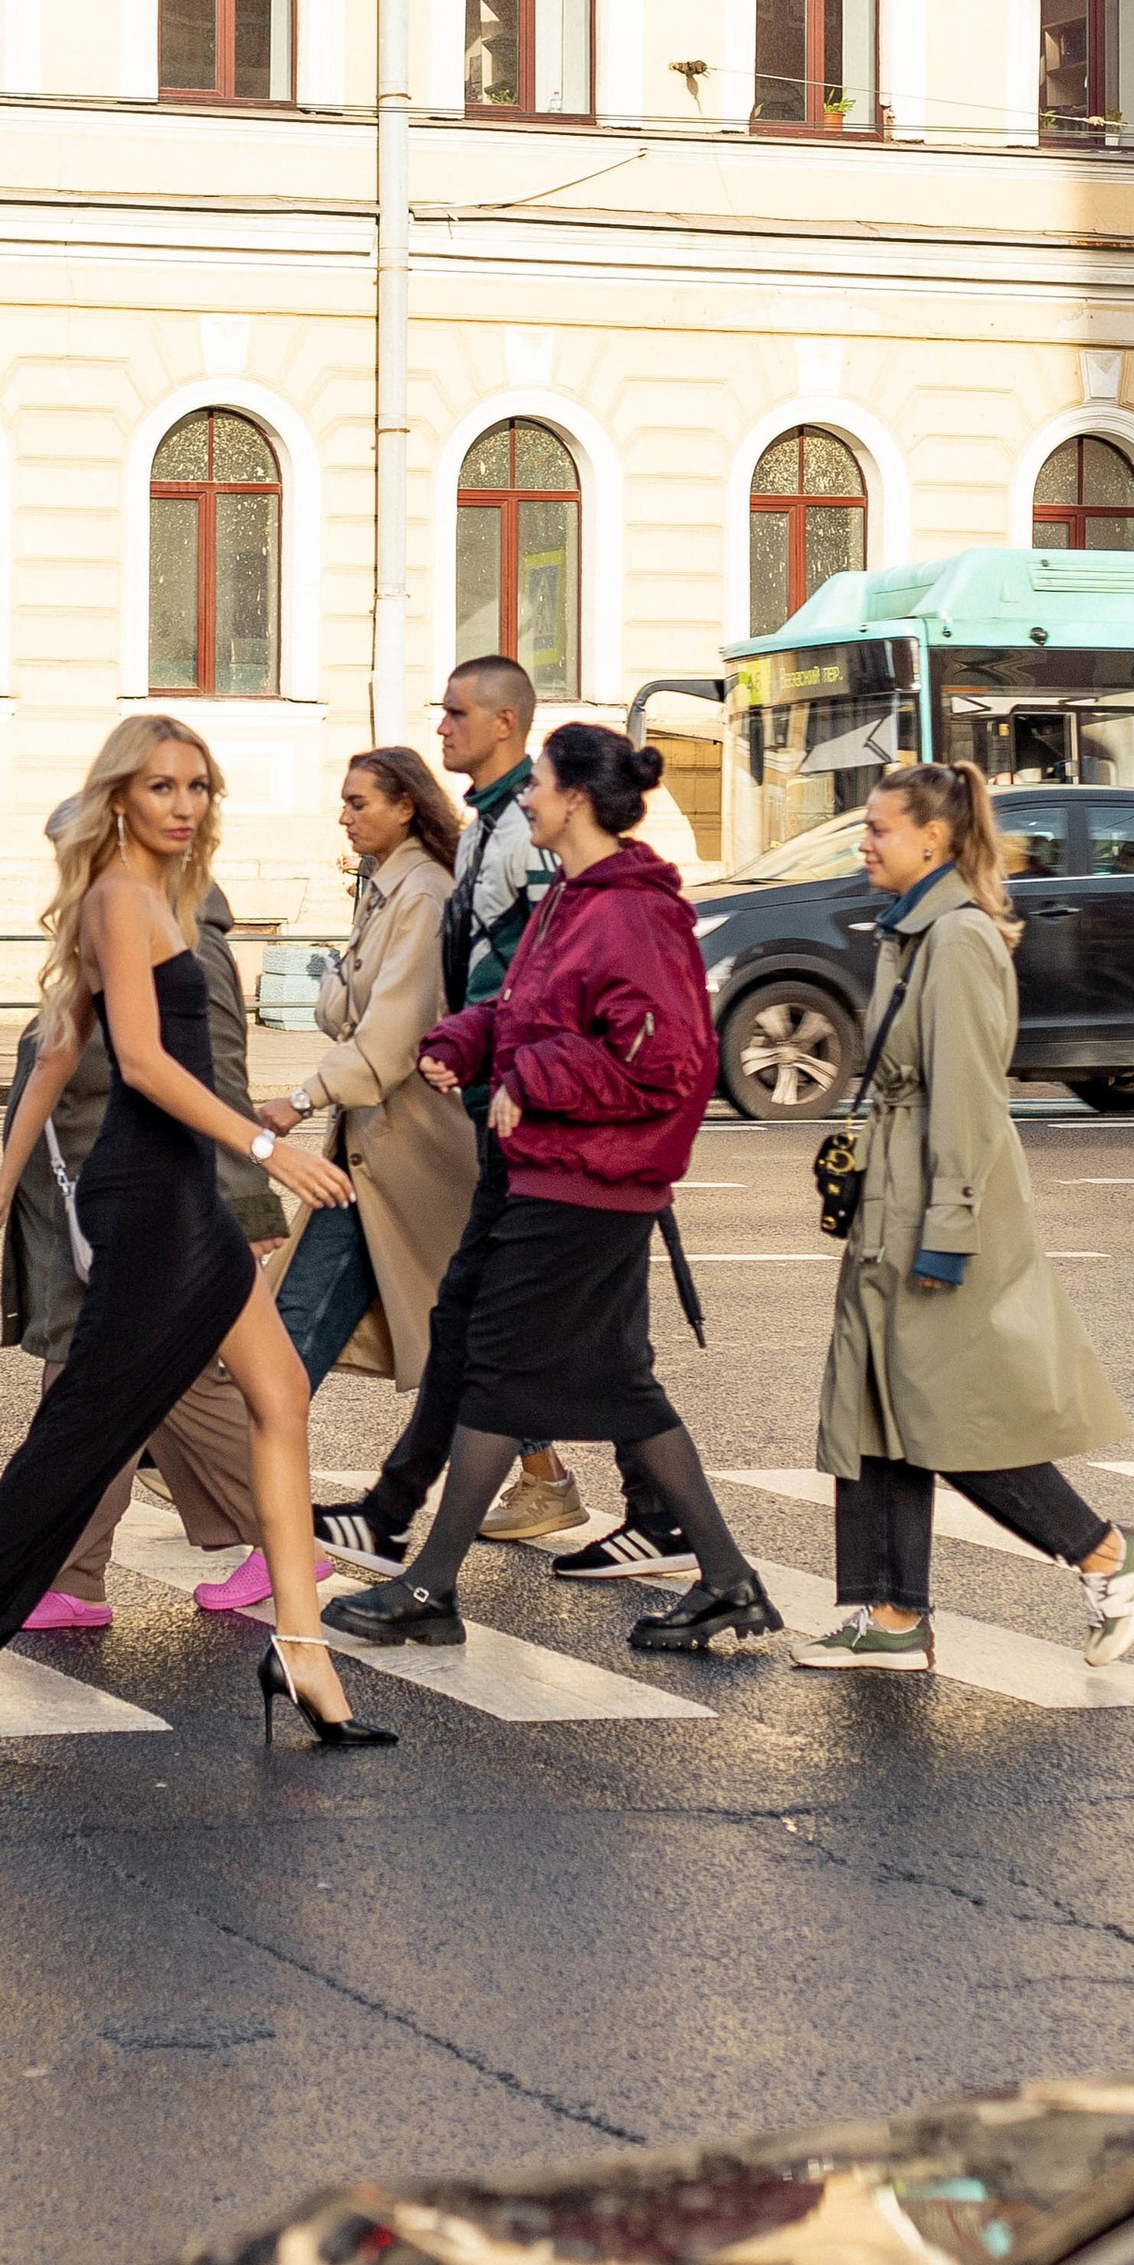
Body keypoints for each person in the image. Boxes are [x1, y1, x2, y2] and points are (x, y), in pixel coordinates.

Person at [0, 716, 390, 1752]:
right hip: (152, 1200)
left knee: (279, 1395)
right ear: (119, 796)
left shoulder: (154, 895)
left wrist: (2, 1184)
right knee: (85, 1429)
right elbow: (147, 1064)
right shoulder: (119, 896)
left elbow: (59, 1044)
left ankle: (301, 1648)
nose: (184, 804)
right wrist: (266, 1148)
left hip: (179, 1192)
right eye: (161, 786)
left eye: (198, 786)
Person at [324, 722, 781, 1659]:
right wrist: (464, 1042)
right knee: (606, 1381)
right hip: (540, 1167)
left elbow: (667, 1060)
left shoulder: (632, 911)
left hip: (589, 1181)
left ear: (574, 797)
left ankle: (429, 1584)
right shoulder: (572, 896)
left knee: (497, 1365)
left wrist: (532, 1078)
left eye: (536, 782)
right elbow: (524, 1011)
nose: (524, 796)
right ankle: (729, 1580)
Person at [797, 760, 1134, 1675]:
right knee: (879, 1404)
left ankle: (1105, 1552)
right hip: (899, 1193)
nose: (863, 843)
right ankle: (891, 1615)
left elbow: (967, 1096)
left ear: (933, 839)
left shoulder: (954, 939)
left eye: (878, 828)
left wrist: (948, 1231)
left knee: (945, 1411)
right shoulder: (914, 929)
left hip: (932, 1200)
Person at [311, 662, 674, 1580]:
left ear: (507, 722)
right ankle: (649, 1517)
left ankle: (407, 1523)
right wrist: (468, 1044)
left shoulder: (536, 837)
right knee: (514, 1324)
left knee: (532, 1332)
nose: (442, 726)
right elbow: (509, 982)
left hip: (555, 1128)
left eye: (457, 712)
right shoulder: (489, 827)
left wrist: (518, 1067)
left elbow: (565, 988)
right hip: (512, 1114)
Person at [0, 858, 293, 1631]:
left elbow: (219, 1074)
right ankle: (276, 1542)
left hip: (146, 1206)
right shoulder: (112, 922)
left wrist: (248, 1202)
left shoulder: (188, 935)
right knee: (167, 1389)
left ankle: (67, 1575)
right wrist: (0, 1191)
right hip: (105, 1207)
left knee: (88, 1385)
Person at [260, 746, 476, 1408]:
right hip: (376, 1143)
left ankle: (231, 1455)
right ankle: (533, 1451)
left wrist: (302, 1099)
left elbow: (393, 1031)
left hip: (408, 1148)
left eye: (359, 803)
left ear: (406, 806)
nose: (344, 818)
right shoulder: (386, 887)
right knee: (450, 1335)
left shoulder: (424, 893)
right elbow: (340, 1010)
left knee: (294, 1329)